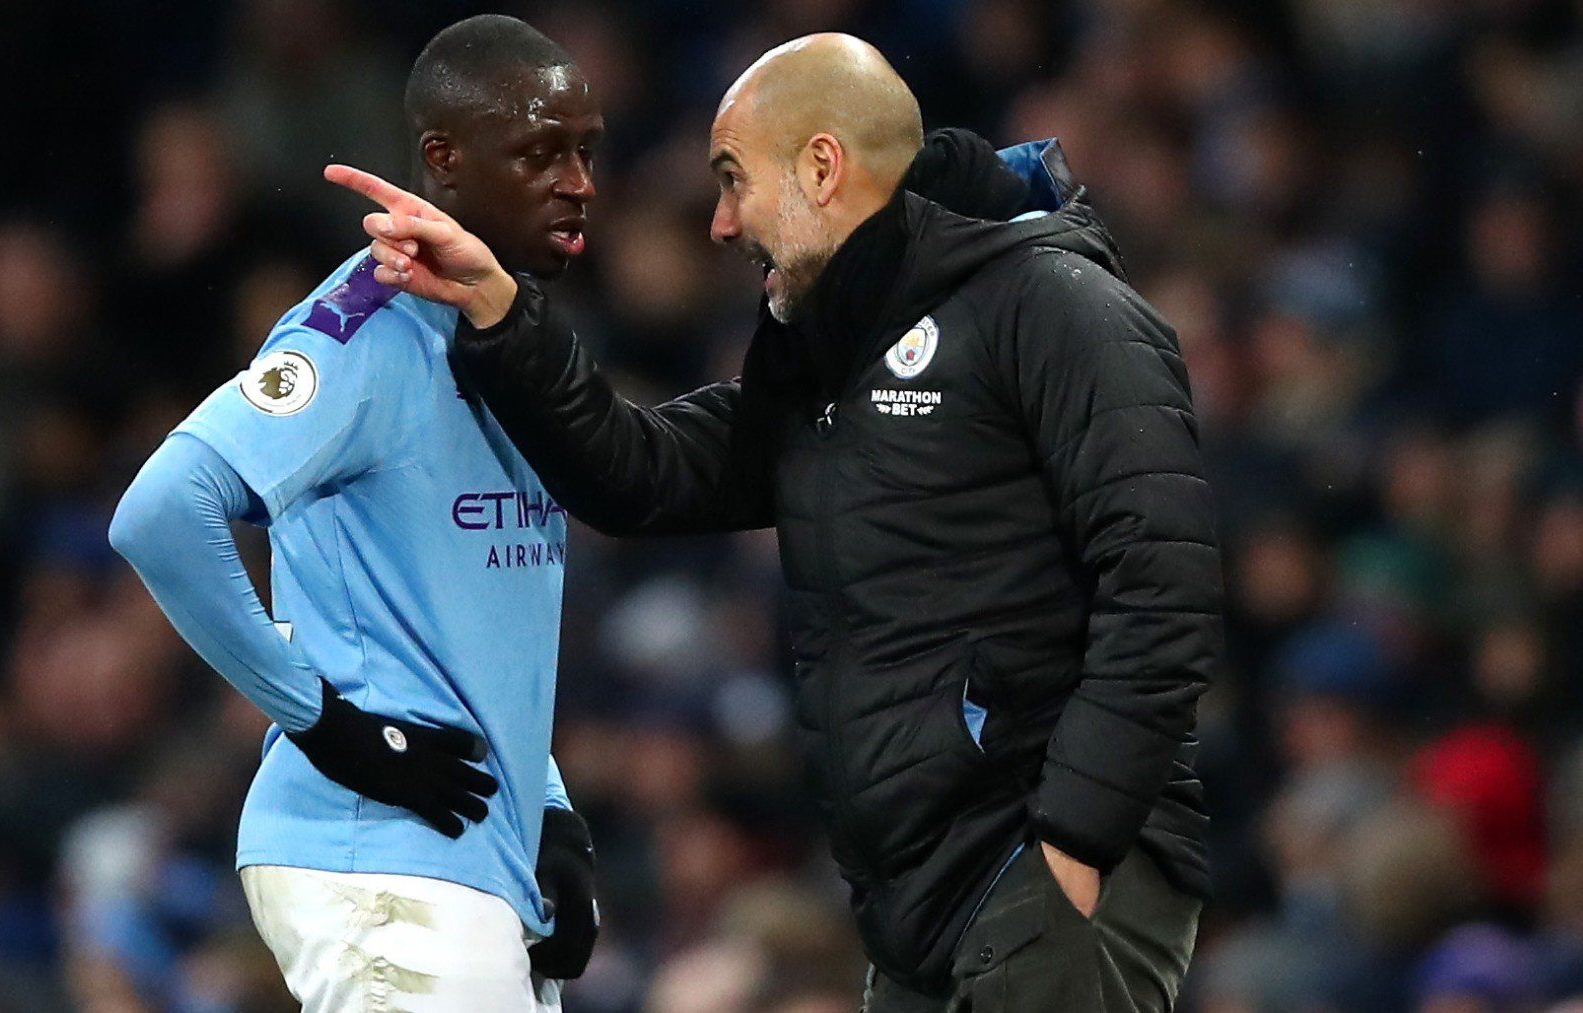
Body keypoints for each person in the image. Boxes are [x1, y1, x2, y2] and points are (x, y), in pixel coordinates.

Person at [330, 32, 1220, 1012]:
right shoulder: (824, 371)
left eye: (733, 182)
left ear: (823, 168)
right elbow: (641, 472)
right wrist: (503, 312)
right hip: (920, 904)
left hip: (1038, 867)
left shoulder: (1053, 306)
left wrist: (1076, 841)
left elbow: (1162, 581)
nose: (719, 224)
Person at [108, 16, 602, 1012]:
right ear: (443, 161)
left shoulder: (516, 338)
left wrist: (543, 802)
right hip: (376, 851)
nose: (578, 181)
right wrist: (322, 720)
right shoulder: (366, 324)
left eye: (587, 151)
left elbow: (470, 611)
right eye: (542, 153)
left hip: (470, 852)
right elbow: (161, 511)